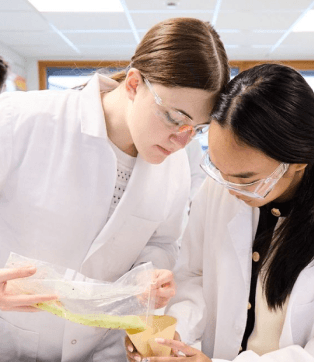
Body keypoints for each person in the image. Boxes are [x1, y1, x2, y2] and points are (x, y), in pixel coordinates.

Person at [0, 17, 230, 362]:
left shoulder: (174, 167)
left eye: (195, 128)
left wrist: (150, 274)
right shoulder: (20, 120)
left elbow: (162, 241)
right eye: (173, 117)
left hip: (100, 350)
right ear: (135, 83)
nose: (181, 141)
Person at [126, 63, 314, 362]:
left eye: (246, 178)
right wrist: (175, 336)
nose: (229, 187)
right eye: (219, 169)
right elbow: (195, 274)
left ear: (299, 162)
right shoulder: (219, 189)